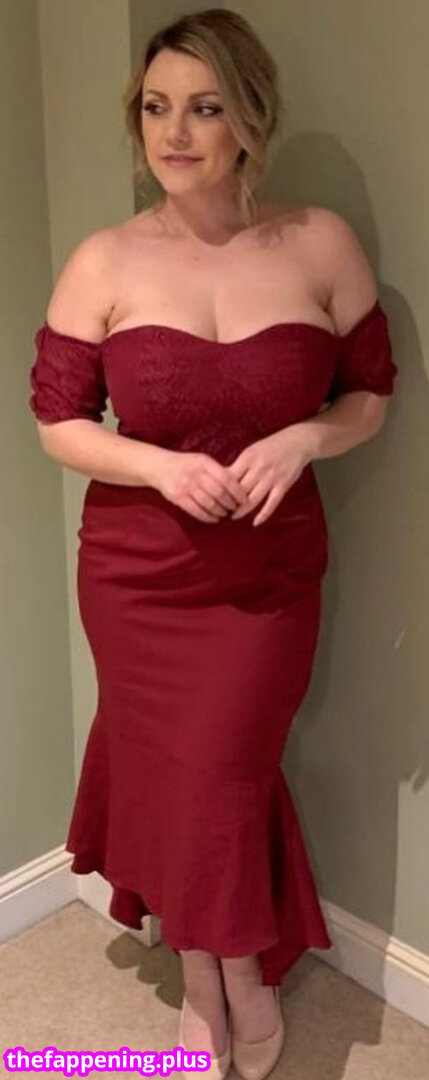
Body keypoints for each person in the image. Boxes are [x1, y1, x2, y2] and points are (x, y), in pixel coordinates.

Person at [28, 8, 398, 1080]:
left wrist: (305, 436)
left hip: (269, 573)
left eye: (203, 107)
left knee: (225, 771)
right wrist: (158, 467)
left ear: (248, 118)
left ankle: (230, 964)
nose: (175, 132)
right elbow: (56, 423)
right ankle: (217, 974)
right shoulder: (104, 260)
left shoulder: (318, 241)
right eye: (156, 108)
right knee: (172, 772)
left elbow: (371, 394)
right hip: (139, 575)